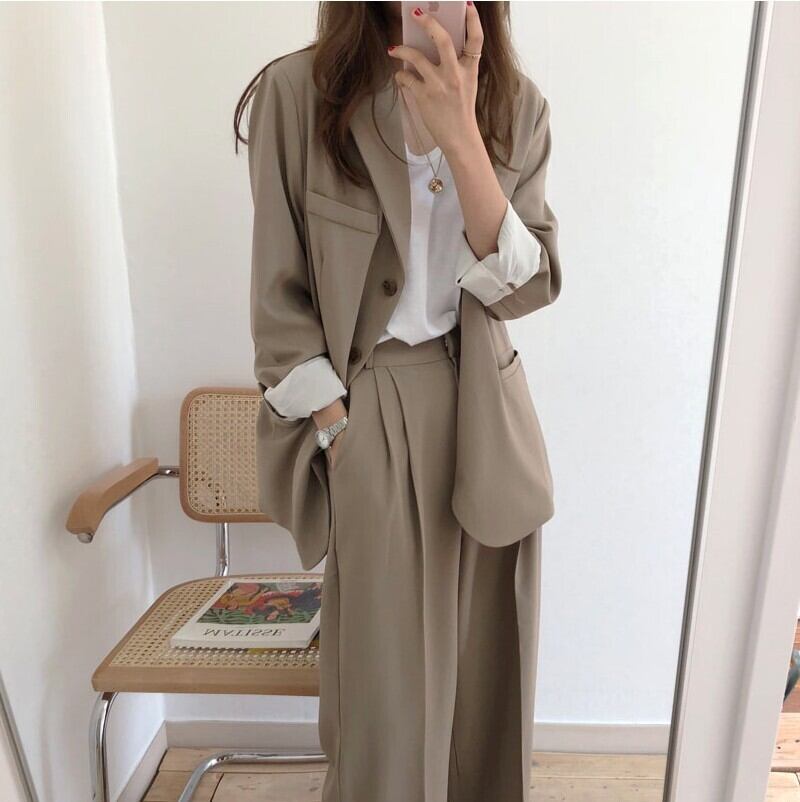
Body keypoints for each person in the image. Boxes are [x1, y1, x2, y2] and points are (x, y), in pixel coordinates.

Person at [234, 2, 561, 800]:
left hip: (486, 411)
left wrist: (462, 137)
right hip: (370, 409)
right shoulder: (298, 95)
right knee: (386, 702)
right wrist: (336, 430)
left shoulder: (516, 105)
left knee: (488, 689)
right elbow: (279, 305)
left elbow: (527, 287)